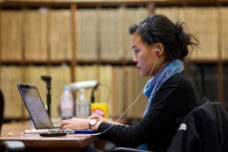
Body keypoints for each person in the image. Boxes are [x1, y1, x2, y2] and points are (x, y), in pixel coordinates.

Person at [60, 15, 202, 152]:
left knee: (75, 150)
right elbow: (142, 132)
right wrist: (104, 124)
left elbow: (134, 137)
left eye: (137, 51)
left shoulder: (175, 86)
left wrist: (91, 124)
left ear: (158, 50)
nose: (134, 59)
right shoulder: (174, 81)